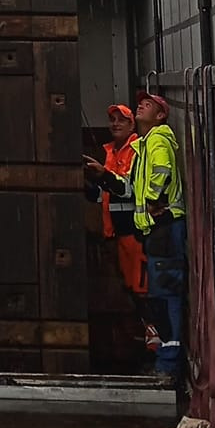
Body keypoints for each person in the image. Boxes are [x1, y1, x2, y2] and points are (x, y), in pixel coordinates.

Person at [85, 92, 186, 385]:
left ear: (159, 116)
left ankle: (167, 365)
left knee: (163, 299)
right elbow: (129, 188)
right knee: (157, 298)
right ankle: (162, 359)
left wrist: (154, 200)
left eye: (148, 105)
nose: (142, 105)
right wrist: (102, 177)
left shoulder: (155, 141)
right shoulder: (142, 146)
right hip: (147, 232)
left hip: (158, 230)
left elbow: (161, 173)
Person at [86, 104, 146, 303]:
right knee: (128, 285)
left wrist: (104, 176)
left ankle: (152, 330)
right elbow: (103, 195)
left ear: (132, 124)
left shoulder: (137, 150)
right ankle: (142, 329)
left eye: (122, 119)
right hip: (116, 232)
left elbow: (129, 190)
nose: (115, 123)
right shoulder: (110, 152)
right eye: (112, 119)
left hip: (135, 231)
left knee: (141, 286)